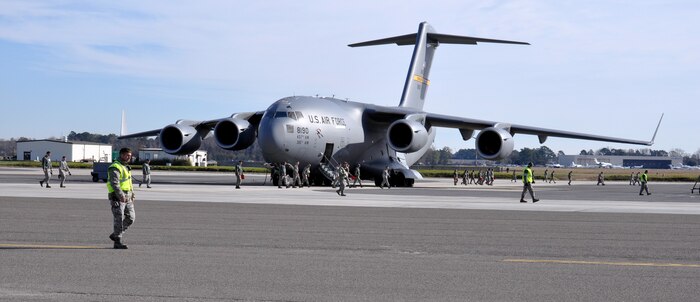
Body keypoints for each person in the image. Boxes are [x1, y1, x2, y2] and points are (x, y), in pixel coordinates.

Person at [107, 148, 135, 249]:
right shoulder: (115, 167)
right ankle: (117, 241)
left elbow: (128, 182)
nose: (129, 157)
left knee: (131, 218)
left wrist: (132, 194)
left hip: (128, 196)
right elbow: (115, 183)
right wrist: (121, 195)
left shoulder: (126, 167)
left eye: (130, 155)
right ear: (122, 155)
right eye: (127, 155)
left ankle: (115, 234)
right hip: (117, 197)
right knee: (118, 219)